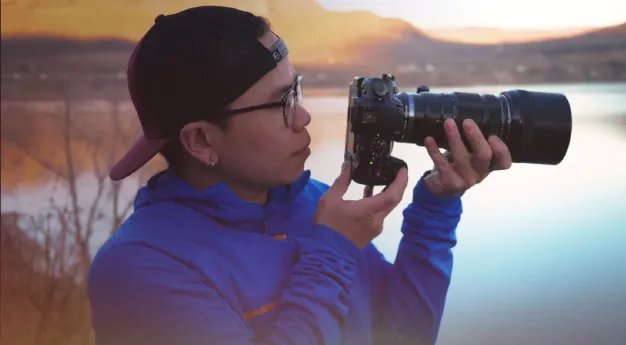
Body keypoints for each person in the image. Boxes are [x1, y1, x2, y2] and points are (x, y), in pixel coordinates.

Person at [87, 6, 512, 345]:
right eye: (282, 103)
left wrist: (434, 211)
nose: (304, 116)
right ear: (200, 141)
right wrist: (332, 252)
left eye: (298, 90)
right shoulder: (139, 269)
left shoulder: (313, 201)